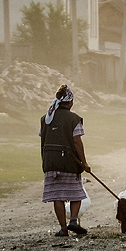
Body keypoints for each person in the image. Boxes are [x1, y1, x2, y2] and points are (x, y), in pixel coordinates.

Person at [40, 84, 91, 237]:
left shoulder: (46, 119)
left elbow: (43, 140)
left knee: (57, 196)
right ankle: (73, 221)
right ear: (70, 102)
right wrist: (84, 163)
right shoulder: (73, 119)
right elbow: (77, 142)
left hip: (50, 163)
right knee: (77, 193)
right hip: (68, 161)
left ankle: (63, 229)